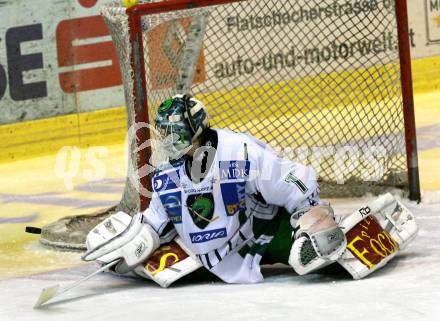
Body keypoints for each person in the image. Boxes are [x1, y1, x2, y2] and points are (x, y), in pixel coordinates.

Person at [82, 94, 346, 284]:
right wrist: (131, 241)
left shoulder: (239, 152)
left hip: (263, 234)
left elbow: (291, 180)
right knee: (148, 268)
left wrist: (311, 215)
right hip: (212, 260)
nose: (170, 140)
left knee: (317, 255)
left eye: (177, 132)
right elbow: (157, 222)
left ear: (196, 129)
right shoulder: (166, 173)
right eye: (165, 133)